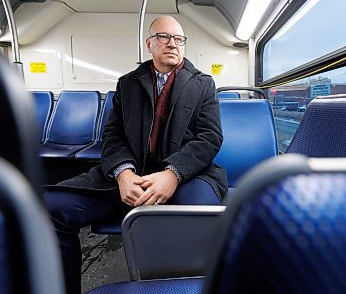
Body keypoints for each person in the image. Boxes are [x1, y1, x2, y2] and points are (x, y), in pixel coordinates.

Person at [44, 15, 227, 294]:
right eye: (164, 37)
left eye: (179, 39)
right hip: (133, 174)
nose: (173, 44)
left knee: (204, 221)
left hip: (188, 175)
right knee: (52, 208)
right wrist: (123, 173)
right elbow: (113, 136)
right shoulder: (128, 84)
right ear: (149, 44)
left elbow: (210, 138)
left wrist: (173, 174)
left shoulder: (202, 83)